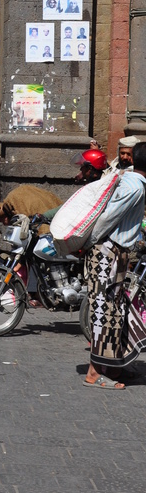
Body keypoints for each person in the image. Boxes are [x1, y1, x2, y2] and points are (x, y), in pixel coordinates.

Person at [83, 141, 146, 389]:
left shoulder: (130, 181)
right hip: (106, 252)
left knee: (116, 311)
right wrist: (89, 242)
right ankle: (93, 373)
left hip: (113, 252)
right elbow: (108, 218)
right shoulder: (135, 188)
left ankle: (114, 366)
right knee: (104, 312)